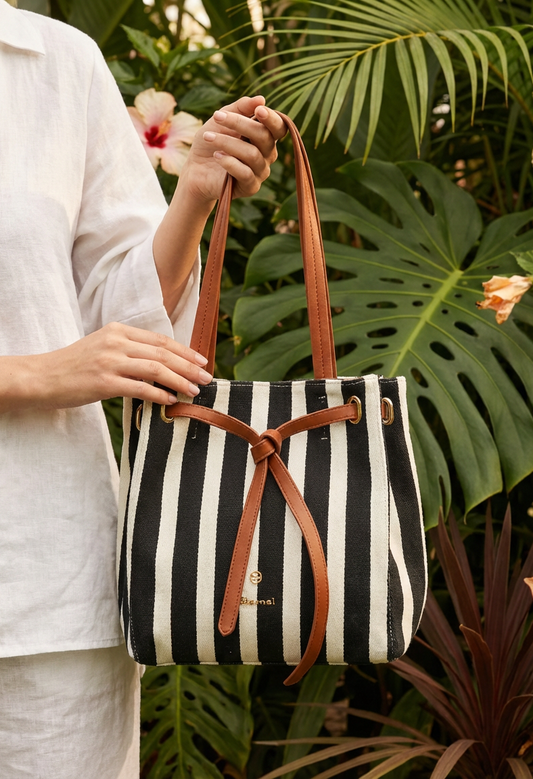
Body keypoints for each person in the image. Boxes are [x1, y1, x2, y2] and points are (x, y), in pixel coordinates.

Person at [0, 1, 286, 776]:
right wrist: (29, 375)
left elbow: (126, 317)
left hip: (45, 585)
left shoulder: (57, 63)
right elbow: (70, 359)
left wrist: (192, 191)